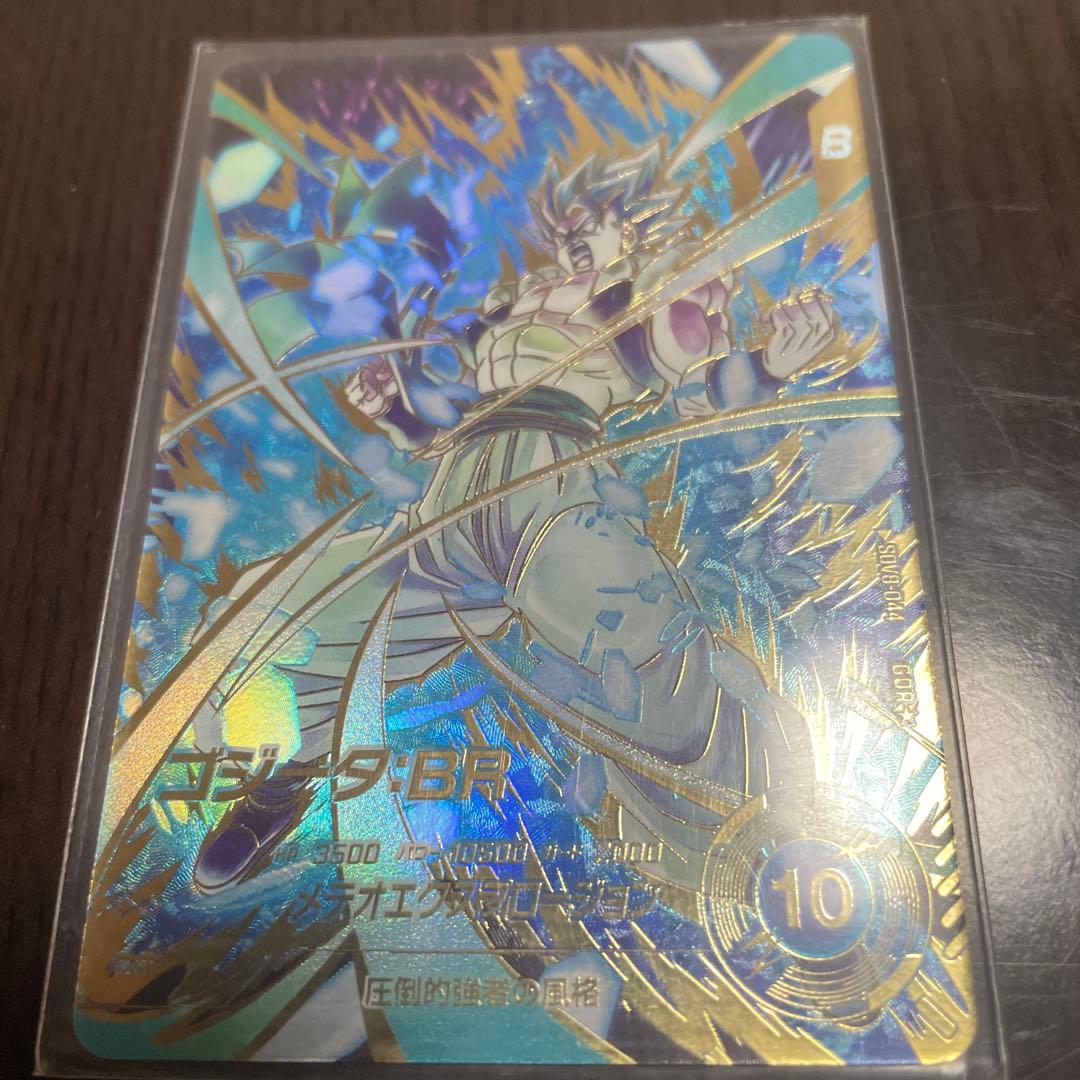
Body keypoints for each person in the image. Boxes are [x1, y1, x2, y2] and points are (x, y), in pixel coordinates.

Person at [192, 144, 835, 896]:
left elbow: (697, 392)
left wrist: (773, 366)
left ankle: (771, 837)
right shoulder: (509, 306)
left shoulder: (647, 298)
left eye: (595, 219)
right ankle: (280, 787)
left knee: (651, 664)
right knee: (314, 615)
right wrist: (396, 411)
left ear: (631, 227)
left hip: (550, 486)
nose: (573, 234)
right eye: (567, 220)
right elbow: (447, 422)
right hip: (451, 500)